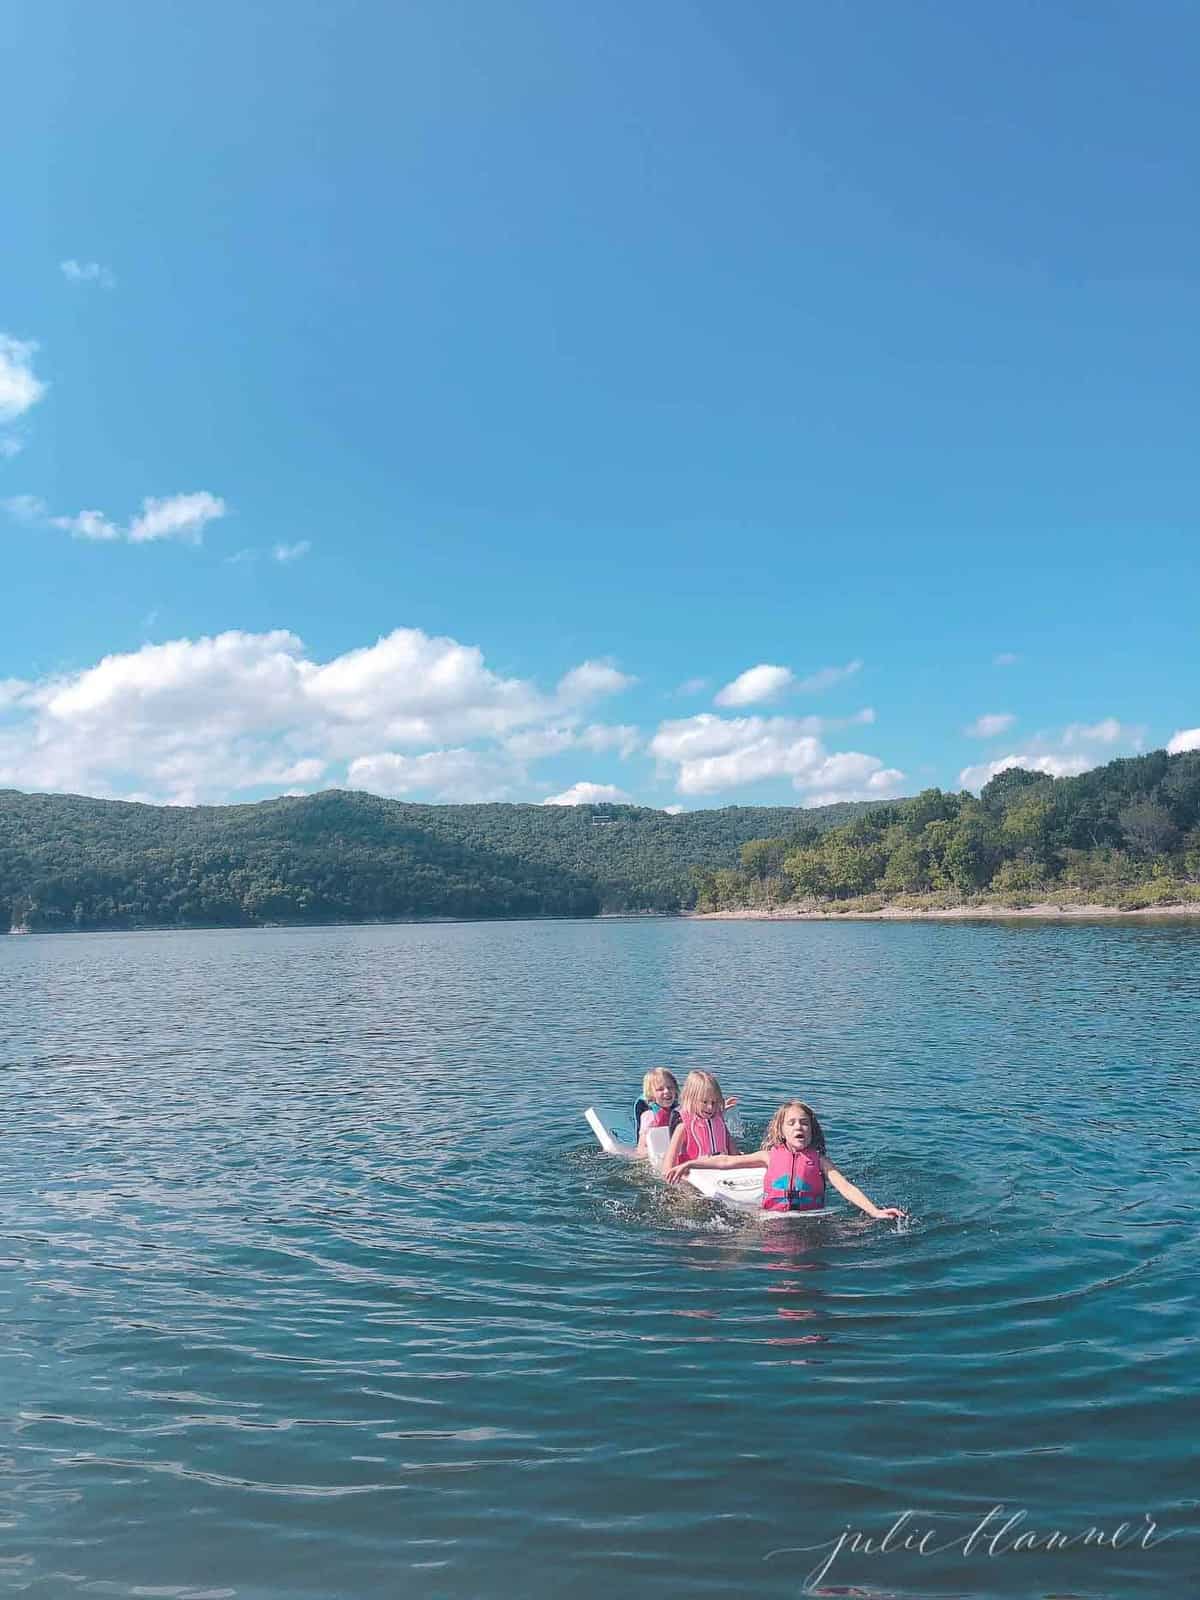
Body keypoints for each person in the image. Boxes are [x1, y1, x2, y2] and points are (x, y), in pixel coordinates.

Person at [667, 1099, 904, 1220]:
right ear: (781, 1131)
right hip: (770, 1218)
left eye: (804, 1122)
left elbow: (846, 1187)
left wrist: (875, 1211)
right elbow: (726, 1162)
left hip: (811, 1219)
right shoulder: (768, 1156)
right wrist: (690, 1164)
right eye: (791, 1123)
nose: (798, 1127)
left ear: (812, 1130)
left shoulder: (820, 1160)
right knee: (739, 1247)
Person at [662, 1070, 738, 1172]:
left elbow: (733, 1150)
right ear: (691, 1099)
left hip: (721, 1168)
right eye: (705, 1102)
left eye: (714, 1102)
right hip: (695, 1173)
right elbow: (667, 1167)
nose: (710, 1107)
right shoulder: (683, 1127)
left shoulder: (718, 1120)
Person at [634, 1068, 681, 1153]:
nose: (666, 1091)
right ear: (651, 1094)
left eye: (670, 1087)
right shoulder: (649, 1116)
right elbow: (641, 1148)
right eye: (660, 1089)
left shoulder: (679, 1111)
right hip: (655, 1157)